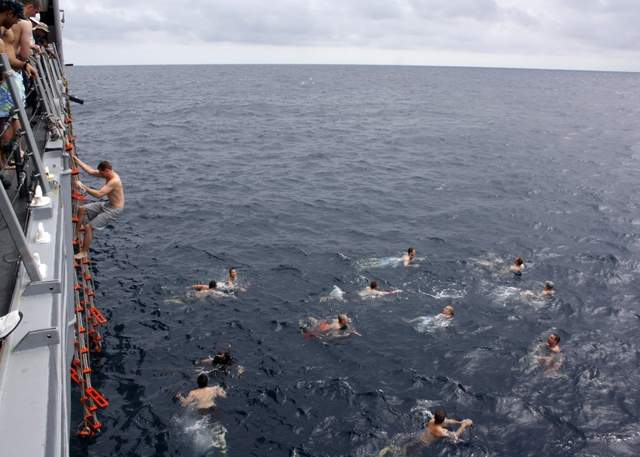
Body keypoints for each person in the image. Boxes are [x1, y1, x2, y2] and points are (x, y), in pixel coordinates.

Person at [73, 158, 125, 259]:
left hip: (114, 210)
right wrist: (77, 160)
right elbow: (91, 171)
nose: (101, 175)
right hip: (109, 204)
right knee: (82, 209)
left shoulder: (114, 181)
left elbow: (99, 194)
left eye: (102, 173)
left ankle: (84, 252)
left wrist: (82, 186)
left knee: (89, 227)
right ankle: (76, 233)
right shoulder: (107, 173)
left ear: (107, 171)